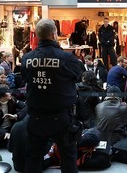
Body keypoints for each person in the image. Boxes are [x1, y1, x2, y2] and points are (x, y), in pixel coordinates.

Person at [21, 19, 82, 173]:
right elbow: (78, 77)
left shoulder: (27, 58)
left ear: (37, 36)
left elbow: (25, 78)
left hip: (36, 116)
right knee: (68, 158)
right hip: (61, 116)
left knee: (33, 157)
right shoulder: (67, 58)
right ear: (55, 34)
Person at [0, 84, 27, 148]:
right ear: (1, 94)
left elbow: (26, 107)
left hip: (11, 128)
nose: (10, 93)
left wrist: (16, 116)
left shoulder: (13, 100)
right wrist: (5, 133)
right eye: (7, 92)